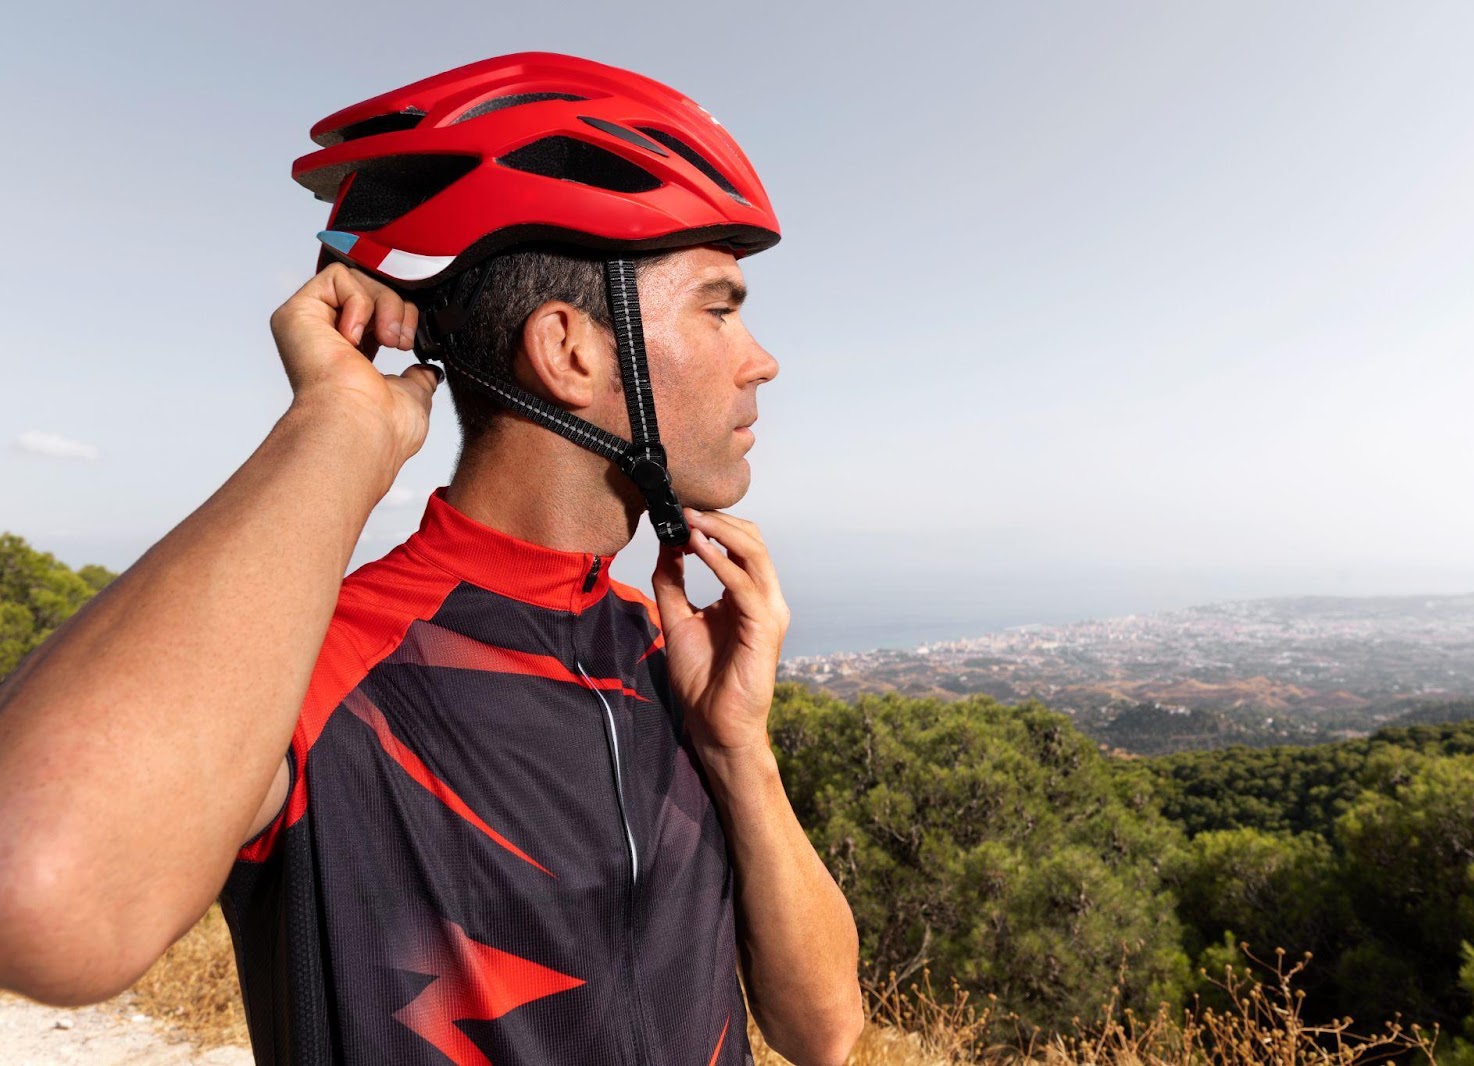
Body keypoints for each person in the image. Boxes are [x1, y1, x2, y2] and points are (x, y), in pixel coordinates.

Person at [0, 52, 863, 1065]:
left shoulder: (654, 652)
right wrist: (337, 429)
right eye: (720, 306)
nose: (759, 357)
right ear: (570, 350)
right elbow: (39, 885)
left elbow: (826, 1030)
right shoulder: (333, 666)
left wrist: (736, 751)